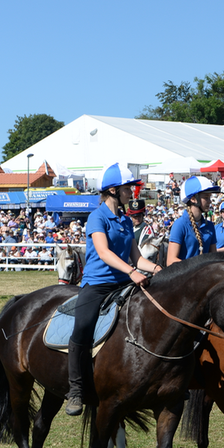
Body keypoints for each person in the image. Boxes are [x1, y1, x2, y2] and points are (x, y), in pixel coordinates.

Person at [67, 163, 162, 416]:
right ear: (112, 190)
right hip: (97, 285)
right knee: (82, 327)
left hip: (124, 283)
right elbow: (103, 252)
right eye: (128, 188)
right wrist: (132, 272)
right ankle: (75, 390)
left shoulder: (125, 220)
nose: (132, 192)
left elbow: (136, 257)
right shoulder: (96, 217)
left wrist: (156, 269)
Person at [166, 176, 221, 266]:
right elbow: (171, 261)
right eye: (206, 197)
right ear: (193, 199)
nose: (209, 201)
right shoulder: (179, 224)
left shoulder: (210, 226)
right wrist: (197, 267)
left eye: (209, 197)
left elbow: (213, 258)